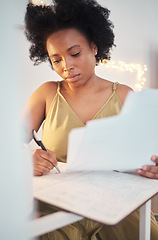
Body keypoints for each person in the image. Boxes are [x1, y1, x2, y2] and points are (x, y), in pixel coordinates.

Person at [21, 0, 158, 239]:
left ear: (94, 47)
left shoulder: (125, 95)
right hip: (58, 207)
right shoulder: (47, 93)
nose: (67, 66)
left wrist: (153, 167)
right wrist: (25, 160)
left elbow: (149, 152)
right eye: (56, 60)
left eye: (75, 53)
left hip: (115, 207)